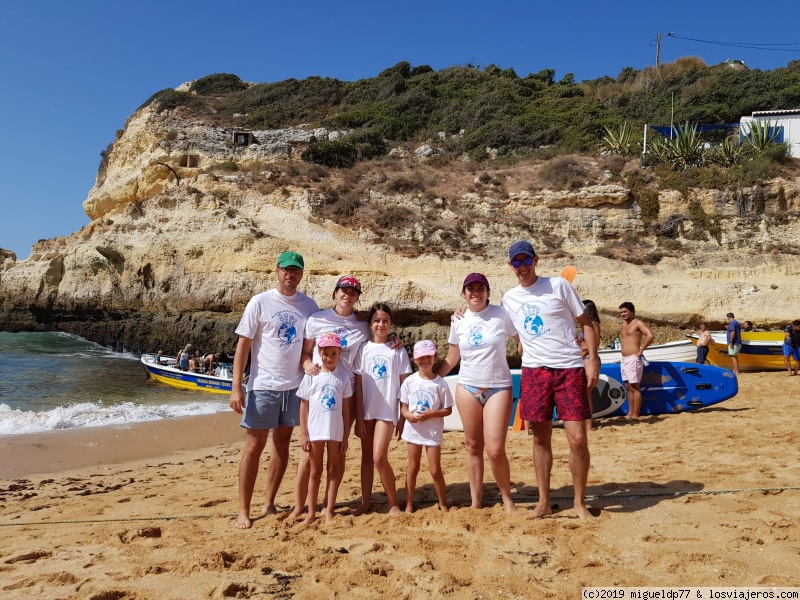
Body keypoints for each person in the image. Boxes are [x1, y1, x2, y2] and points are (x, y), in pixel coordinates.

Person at [500, 240, 599, 519]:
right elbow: (498, 323)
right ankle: (544, 502)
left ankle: (579, 502)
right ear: (510, 266)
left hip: (569, 368)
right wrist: (460, 313)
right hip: (534, 372)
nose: (522, 267)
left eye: (526, 260)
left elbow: (586, 323)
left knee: (578, 438)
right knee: (540, 439)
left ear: (536, 260)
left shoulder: (558, 285)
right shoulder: (509, 299)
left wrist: (592, 359)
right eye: (516, 262)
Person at [229, 250, 319, 529]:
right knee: (254, 447)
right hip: (263, 386)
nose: (290, 274)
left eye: (295, 270)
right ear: (277, 271)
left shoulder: (309, 305)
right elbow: (243, 345)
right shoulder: (260, 302)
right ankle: (244, 510)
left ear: (301, 274)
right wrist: (236, 388)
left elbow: (319, 338)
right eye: (285, 269)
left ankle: (269, 502)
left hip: (294, 388)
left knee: (281, 446)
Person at [437, 273, 519, 514]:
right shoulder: (458, 319)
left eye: (480, 288)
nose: (475, 292)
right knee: (473, 446)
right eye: (470, 289)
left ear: (488, 292)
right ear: (464, 293)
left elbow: (521, 338)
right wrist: (432, 379)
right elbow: (453, 357)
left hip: (498, 387)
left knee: (494, 449)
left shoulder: (501, 314)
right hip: (468, 387)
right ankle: (476, 501)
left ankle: (507, 499)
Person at [295, 275, 371, 514]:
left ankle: (327, 507)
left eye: (353, 292)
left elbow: (378, 340)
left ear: (357, 298)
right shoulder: (317, 319)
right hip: (317, 388)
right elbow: (305, 354)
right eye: (343, 291)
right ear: (335, 294)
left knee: (339, 452)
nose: (347, 295)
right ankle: (302, 507)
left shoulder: (363, 325)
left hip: (345, 391)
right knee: (308, 457)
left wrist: (396, 342)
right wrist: (307, 366)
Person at [352, 303, 412, 516]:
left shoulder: (398, 350)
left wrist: (403, 414)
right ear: (370, 323)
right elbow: (358, 386)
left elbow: (406, 385)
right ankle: (366, 501)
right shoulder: (363, 349)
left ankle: (393, 502)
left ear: (391, 323)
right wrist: (358, 418)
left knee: (379, 456)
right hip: (367, 411)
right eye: (376, 320)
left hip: (387, 411)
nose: (381, 324)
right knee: (366, 457)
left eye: (385, 320)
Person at [294, 333, 352, 524]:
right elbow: (304, 406)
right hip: (316, 430)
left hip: (335, 431)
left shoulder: (343, 378)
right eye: (325, 353)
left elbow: (345, 410)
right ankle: (311, 512)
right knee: (315, 470)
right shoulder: (311, 376)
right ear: (319, 352)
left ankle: (329, 509)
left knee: (333, 468)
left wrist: (345, 437)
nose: (329, 357)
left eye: (333, 354)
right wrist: (304, 434)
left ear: (339, 353)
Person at [400, 340, 453, 513]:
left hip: (432, 432)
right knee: (412, 467)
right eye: (421, 358)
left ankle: (442, 502)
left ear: (435, 358)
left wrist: (431, 414)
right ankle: (408, 503)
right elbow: (404, 408)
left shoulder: (440, 383)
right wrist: (409, 416)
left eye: (428, 357)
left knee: (435, 469)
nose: (425, 361)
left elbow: (447, 410)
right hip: (414, 430)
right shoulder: (409, 381)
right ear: (415, 360)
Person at [618, 302, 655, 419]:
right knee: (628, 387)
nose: (622, 314)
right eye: (621, 312)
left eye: (625, 312)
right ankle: (630, 413)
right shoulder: (624, 325)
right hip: (625, 359)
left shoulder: (637, 323)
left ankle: (635, 414)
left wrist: (641, 350)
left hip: (634, 358)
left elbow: (650, 335)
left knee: (635, 387)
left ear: (632, 312)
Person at [577, 300, 601, 432]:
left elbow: (595, 345)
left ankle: (589, 425)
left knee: (586, 393)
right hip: (585, 358)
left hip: (588, 359)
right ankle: (587, 424)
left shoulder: (593, 324)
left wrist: (582, 348)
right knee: (584, 394)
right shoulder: (588, 324)